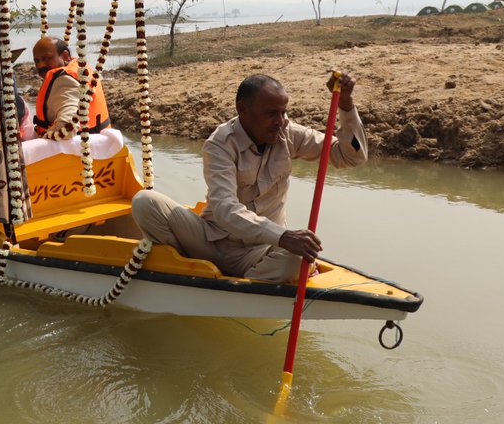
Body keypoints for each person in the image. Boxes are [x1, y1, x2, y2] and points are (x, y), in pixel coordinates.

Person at [131, 72, 368, 283]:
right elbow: (225, 208)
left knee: (298, 259)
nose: (280, 121)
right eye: (271, 113)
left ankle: (242, 287)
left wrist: (346, 105)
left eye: (283, 112)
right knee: (144, 201)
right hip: (211, 242)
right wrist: (284, 236)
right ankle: (184, 267)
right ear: (243, 110)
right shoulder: (220, 144)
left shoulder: (288, 133)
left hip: (260, 250)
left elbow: (349, 156)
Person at [29, 37, 110, 140]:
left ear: (65, 56)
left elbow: (67, 129)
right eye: (37, 61)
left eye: (47, 58)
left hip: (81, 147)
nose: (40, 65)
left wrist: (43, 139)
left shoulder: (64, 81)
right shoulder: (78, 68)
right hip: (98, 143)